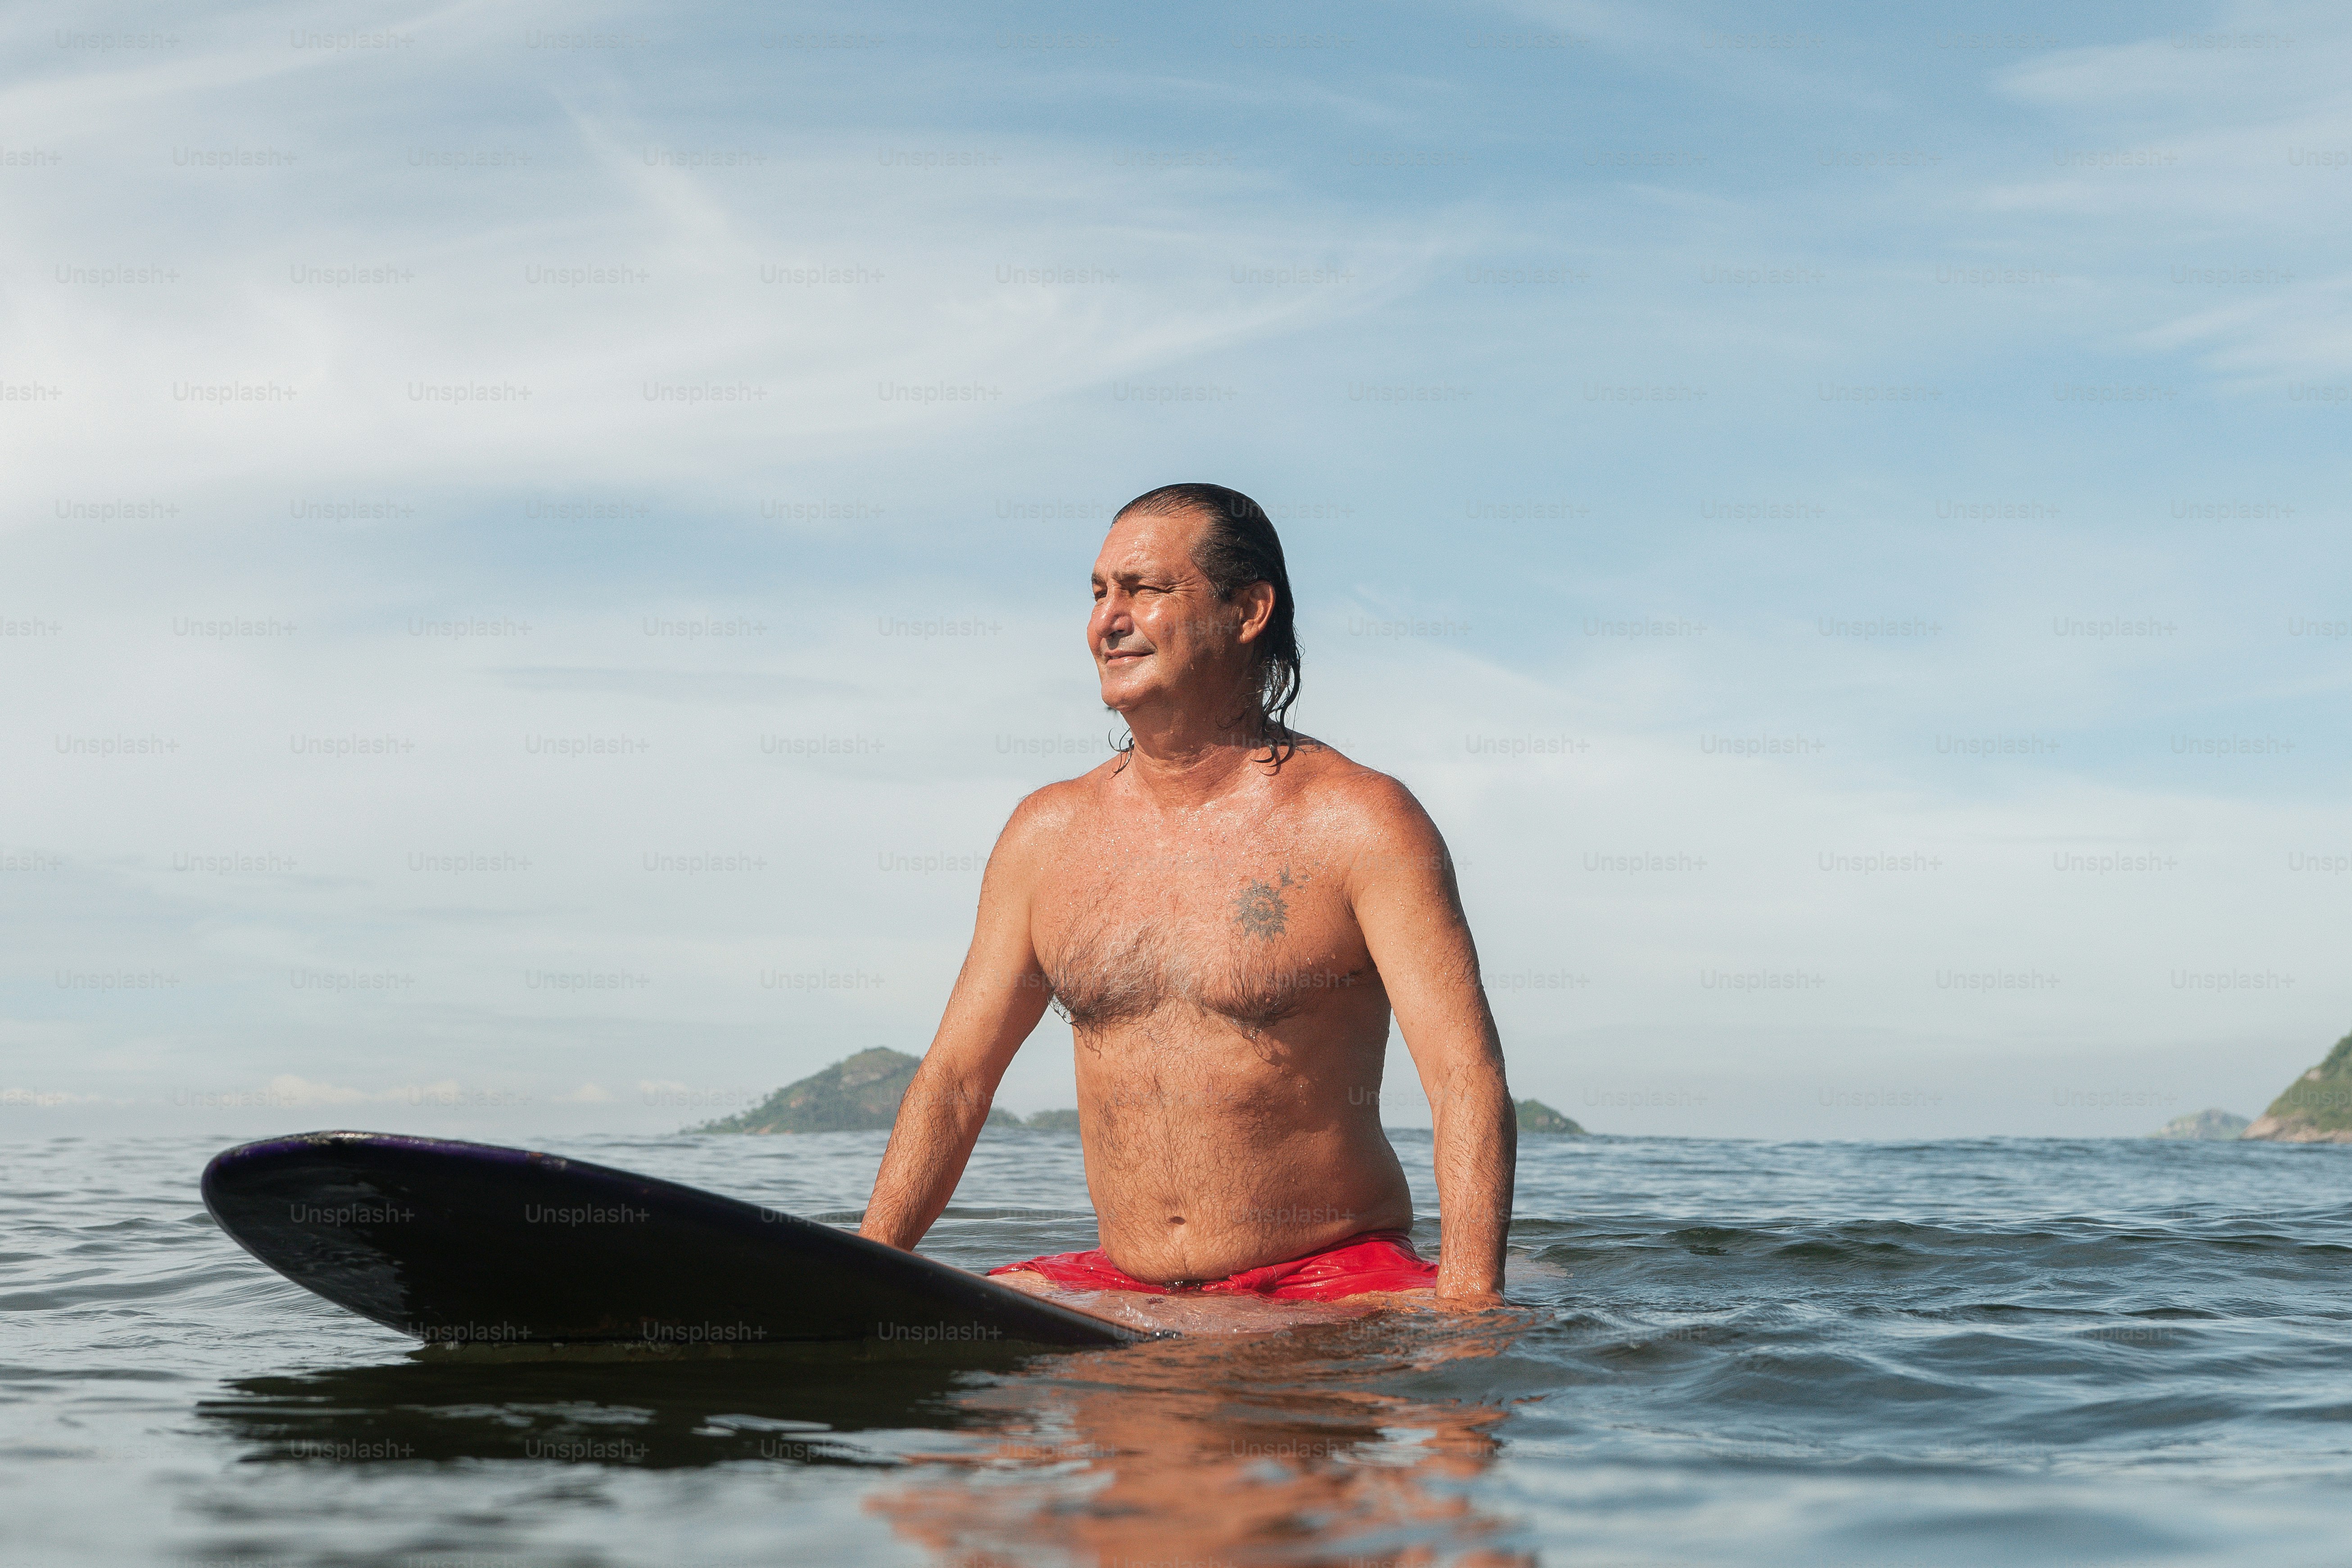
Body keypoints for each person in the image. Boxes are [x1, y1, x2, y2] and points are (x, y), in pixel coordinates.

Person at [858, 482, 1514, 1306]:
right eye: (1098, 593)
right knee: (947, 1428)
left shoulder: (1361, 822)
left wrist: (1468, 1304)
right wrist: (863, 1274)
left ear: (1248, 610)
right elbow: (957, 1078)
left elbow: (1465, 1078)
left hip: (1331, 1282)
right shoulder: (1045, 835)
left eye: (1145, 589)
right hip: (1124, 1280)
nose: (1108, 618)